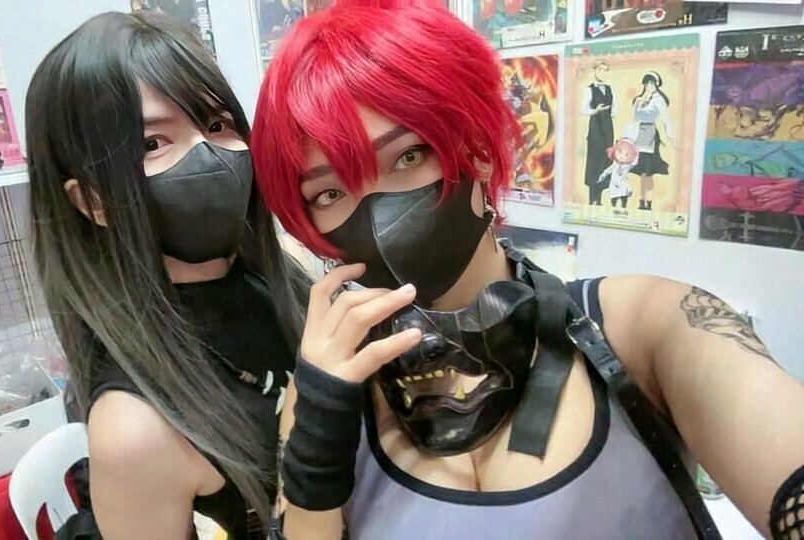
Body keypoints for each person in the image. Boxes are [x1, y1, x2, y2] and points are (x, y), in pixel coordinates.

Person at [250, 2, 804, 539]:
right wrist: (319, 443)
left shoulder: (648, 328)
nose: (378, 215)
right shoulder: (327, 396)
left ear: (476, 148)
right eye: (329, 192)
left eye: (408, 156)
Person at [25, 12, 309, 539]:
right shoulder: (135, 427)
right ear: (93, 200)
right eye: (153, 144)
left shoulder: (281, 283)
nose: (209, 154)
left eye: (218, 125)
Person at [629, 71, 675, 211]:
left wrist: (671, 138)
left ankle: (648, 202)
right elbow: (635, 117)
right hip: (639, 135)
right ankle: (641, 200)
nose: (649, 85)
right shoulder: (639, 100)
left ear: (657, 84)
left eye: (651, 83)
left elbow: (666, 119)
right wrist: (641, 101)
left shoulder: (658, 100)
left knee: (647, 172)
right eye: (647, 83)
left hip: (650, 136)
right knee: (641, 172)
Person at [580, 60, 617, 206]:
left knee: (606, 160)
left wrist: (609, 113)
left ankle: (600, 196)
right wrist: (595, 111)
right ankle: (593, 197)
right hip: (596, 127)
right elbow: (583, 109)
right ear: (595, 70)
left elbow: (614, 110)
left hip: (608, 128)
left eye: (605, 70)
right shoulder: (589, 89)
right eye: (600, 69)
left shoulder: (610, 89)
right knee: (594, 161)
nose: (602, 73)